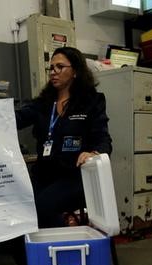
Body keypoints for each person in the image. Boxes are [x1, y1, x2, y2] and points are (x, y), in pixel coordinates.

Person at [16, 46, 112, 228]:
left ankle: (62, 245)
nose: (54, 72)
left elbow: (103, 138)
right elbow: (15, 119)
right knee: (21, 211)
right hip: (44, 173)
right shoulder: (43, 103)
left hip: (74, 175)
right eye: (51, 68)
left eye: (60, 67)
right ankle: (34, 255)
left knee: (42, 207)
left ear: (75, 71)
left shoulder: (91, 102)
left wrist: (94, 152)